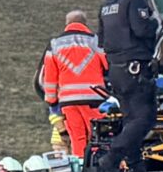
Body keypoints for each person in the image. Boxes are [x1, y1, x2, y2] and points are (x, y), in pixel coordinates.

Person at [96, 0, 161, 172]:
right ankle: (112, 157)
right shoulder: (134, 0)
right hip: (135, 68)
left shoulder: (107, 5)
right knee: (144, 118)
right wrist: (155, 24)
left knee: (130, 119)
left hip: (116, 70)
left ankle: (135, 168)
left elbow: (102, 41)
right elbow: (142, 29)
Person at [36, 10, 110, 160]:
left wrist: (51, 101)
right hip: (94, 98)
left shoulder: (54, 45)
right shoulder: (95, 41)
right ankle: (100, 165)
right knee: (98, 136)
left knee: (77, 137)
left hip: (68, 101)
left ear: (67, 24)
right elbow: (108, 65)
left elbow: (49, 78)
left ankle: (82, 168)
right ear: (84, 23)